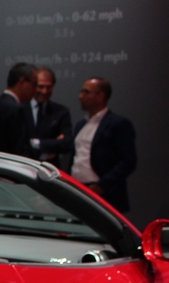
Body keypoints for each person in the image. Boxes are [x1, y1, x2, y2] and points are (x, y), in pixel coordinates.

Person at [71, 77, 137, 213]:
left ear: (100, 96)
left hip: (103, 193)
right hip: (77, 189)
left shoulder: (117, 124)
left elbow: (128, 160)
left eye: (86, 92)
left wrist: (102, 185)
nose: (80, 96)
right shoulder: (80, 125)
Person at [0, 63, 36, 156]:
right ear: (22, 82)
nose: (36, 89)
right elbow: (20, 150)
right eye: (34, 84)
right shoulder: (16, 110)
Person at [27, 67, 73, 170]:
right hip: (24, 168)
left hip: (50, 170)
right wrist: (51, 145)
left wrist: (35, 143)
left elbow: (66, 144)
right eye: (40, 86)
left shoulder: (61, 112)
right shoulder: (20, 109)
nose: (45, 91)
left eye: (49, 87)